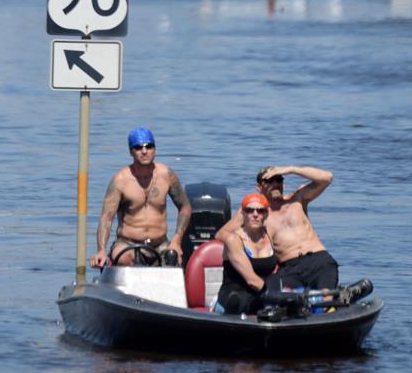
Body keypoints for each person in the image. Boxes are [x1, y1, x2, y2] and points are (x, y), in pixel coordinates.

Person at [216, 164, 338, 292]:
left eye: (278, 179)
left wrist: (291, 169)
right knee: (285, 302)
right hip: (289, 268)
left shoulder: (297, 199)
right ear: (259, 187)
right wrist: (241, 244)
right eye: (269, 181)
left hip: (318, 260)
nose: (275, 183)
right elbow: (221, 234)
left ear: (283, 184)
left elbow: (327, 177)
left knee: (326, 301)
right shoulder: (256, 212)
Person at [89, 127, 191, 268]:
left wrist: (177, 240)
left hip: (160, 243)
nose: (144, 151)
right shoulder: (120, 180)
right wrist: (101, 250)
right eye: (138, 147)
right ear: (131, 151)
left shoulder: (166, 175)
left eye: (148, 146)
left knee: (174, 259)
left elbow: (185, 207)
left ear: (154, 149)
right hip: (128, 243)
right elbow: (106, 218)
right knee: (125, 258)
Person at [215, 193, 277, 314]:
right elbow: (251, 280)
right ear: (242, 214)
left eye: (260, 211)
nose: (255, 214)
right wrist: (275, 297)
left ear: (266, 214)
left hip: (260, 295)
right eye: (249, 210)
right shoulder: (233, 239)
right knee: (239, 300)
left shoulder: (270, 235)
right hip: (234, 295)